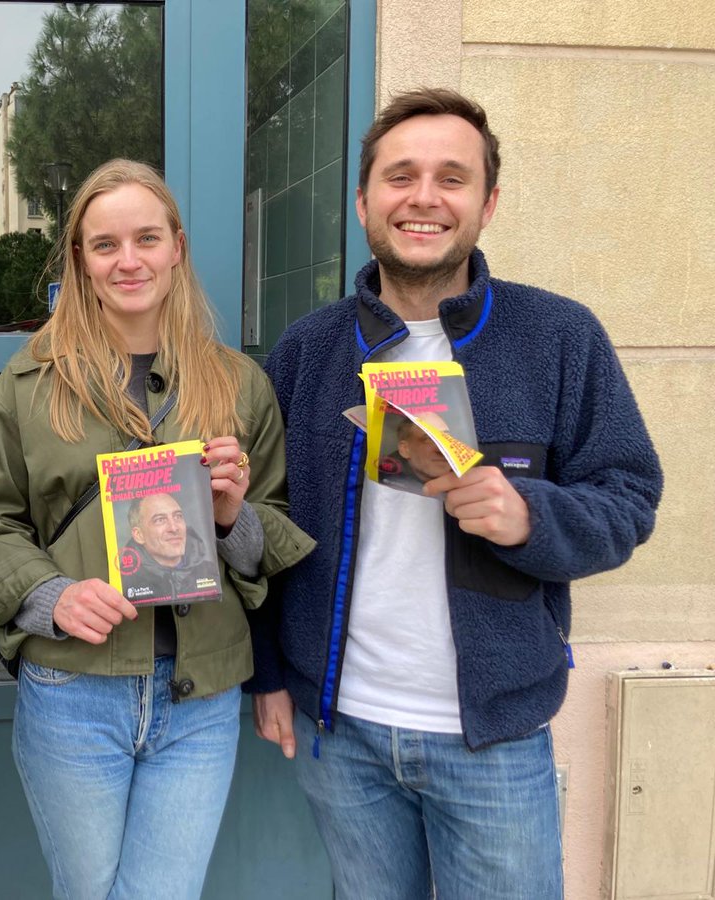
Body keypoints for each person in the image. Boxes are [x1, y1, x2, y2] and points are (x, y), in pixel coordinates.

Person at [250, 88, 662, 899]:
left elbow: (629, 494)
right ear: (364, 201)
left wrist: (529, 515)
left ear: (488, 202)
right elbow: (266, 527)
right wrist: (267, 674)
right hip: (342, 730)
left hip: (493, 740)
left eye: (452, 177)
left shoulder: (558, 337)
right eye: (400, 176)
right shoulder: (309, 350)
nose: (425, 198)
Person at [0, 158, 314, 899]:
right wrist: (49, 594)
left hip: (200, 697)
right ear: (81, 261)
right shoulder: (31, 380)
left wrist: (230, 514)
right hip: (73, 688)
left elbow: (271, 531)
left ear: (177, 247)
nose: (129, 260)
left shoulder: (237, 383)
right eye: (105, 244)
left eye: (146, 238)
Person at [120, 492, 220, 604]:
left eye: (178, 516)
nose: (174, 528)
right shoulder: (123, 584)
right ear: (139, 535)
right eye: (160, 520)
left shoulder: (210, 572)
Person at [384, 410, 453, 486]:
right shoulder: (385, 486)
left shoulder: (465, 474)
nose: (442, 450)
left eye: (446, 437)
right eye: (428, 438)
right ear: (405, 450)